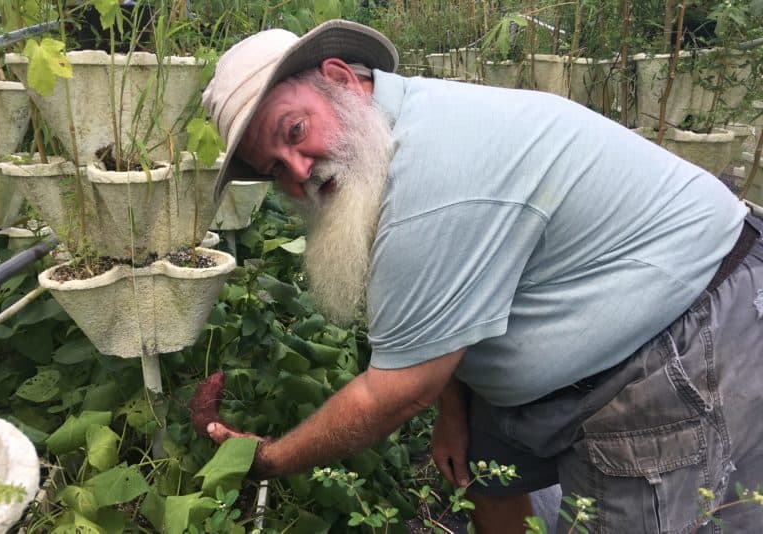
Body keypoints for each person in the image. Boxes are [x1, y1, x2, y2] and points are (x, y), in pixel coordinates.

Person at [199, 19, 763, 533]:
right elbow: (451, 301)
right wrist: (454, 413)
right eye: (276, 168)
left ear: (342, 79)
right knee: (486, 474)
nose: (298, 170)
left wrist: (268, 458)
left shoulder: (431, 181)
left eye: (294, 130)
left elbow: (393, 394)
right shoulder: (390, 139)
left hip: (681, 339)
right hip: (590, 341)